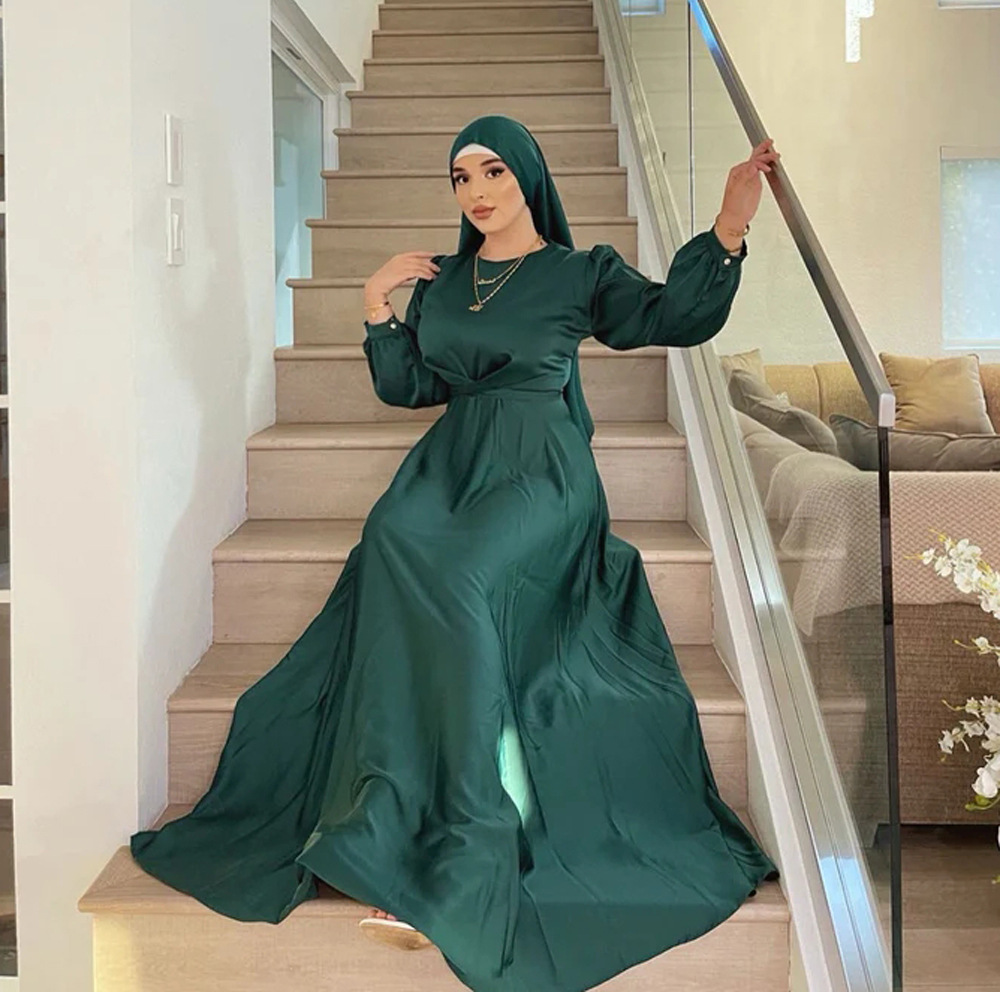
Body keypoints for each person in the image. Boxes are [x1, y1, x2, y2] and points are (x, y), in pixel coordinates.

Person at [130, 113, 781, 992]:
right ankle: (390, 819)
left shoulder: (579, 272)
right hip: (450, 468)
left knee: (462, 577)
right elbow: (411, 387)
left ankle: (462, 851)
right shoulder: (442, 284)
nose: (476, 191)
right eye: (461, 178)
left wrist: (731, 226)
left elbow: (675, 314)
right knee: (392, 542)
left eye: (493, 172)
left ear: (528, 176)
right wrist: (377, 307)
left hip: (542, 473)